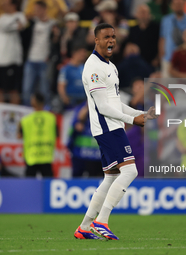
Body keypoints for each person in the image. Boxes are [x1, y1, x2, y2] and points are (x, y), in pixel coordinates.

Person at [74, 23, 157, 240]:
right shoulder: (93, 67)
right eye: (106, 37)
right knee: (130, 172)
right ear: (96, 40)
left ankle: (84, 227)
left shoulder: (110, 65)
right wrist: (132, 119)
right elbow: (103, 107)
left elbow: (116, 103)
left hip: (112, 126)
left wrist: (142, 114)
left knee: (111, 178)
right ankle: (102, 221)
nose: (111, 40)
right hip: (107, 127)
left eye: (113, 36)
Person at [0, 0, 27, 104]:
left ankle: (15, 116)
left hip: (11, 60)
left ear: (13, 4)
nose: (3, 5)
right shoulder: (1, 18)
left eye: (6, 3)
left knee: (12, 90)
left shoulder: (20, 16)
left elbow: (14, 26)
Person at [22, 1, 56, 106]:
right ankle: (26, 111)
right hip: (31, 59)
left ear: (44, 9)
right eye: (35, 10)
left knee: (44, 90)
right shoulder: (31, 23)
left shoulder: (53, 24)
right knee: (27, 90)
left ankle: (45, 111)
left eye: (38, 9)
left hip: (44, 61)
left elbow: (55, 43)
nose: (35, 12)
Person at [159, 0, 186, 78]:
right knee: (167, 87)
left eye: (179, 3)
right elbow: (162, 39)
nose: (177, 6)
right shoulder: (166, 20)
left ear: (184, 4)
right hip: (169, 58)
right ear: (171, 6)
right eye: (175, 4)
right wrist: (162, 57)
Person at [17, 92, 57, 178]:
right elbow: (57, 135)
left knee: (29, 186)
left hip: (32, 156)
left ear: (33, 102)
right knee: (48, 185)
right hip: (46, 156)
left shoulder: (25, 121)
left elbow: (19, 136)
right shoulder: (52, 118)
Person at [67, 102, 103, 177]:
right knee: (77, 181)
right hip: (80, 155)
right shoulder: (80, 109)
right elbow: (72, 131)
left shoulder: (106, 109)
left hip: (98, 157)